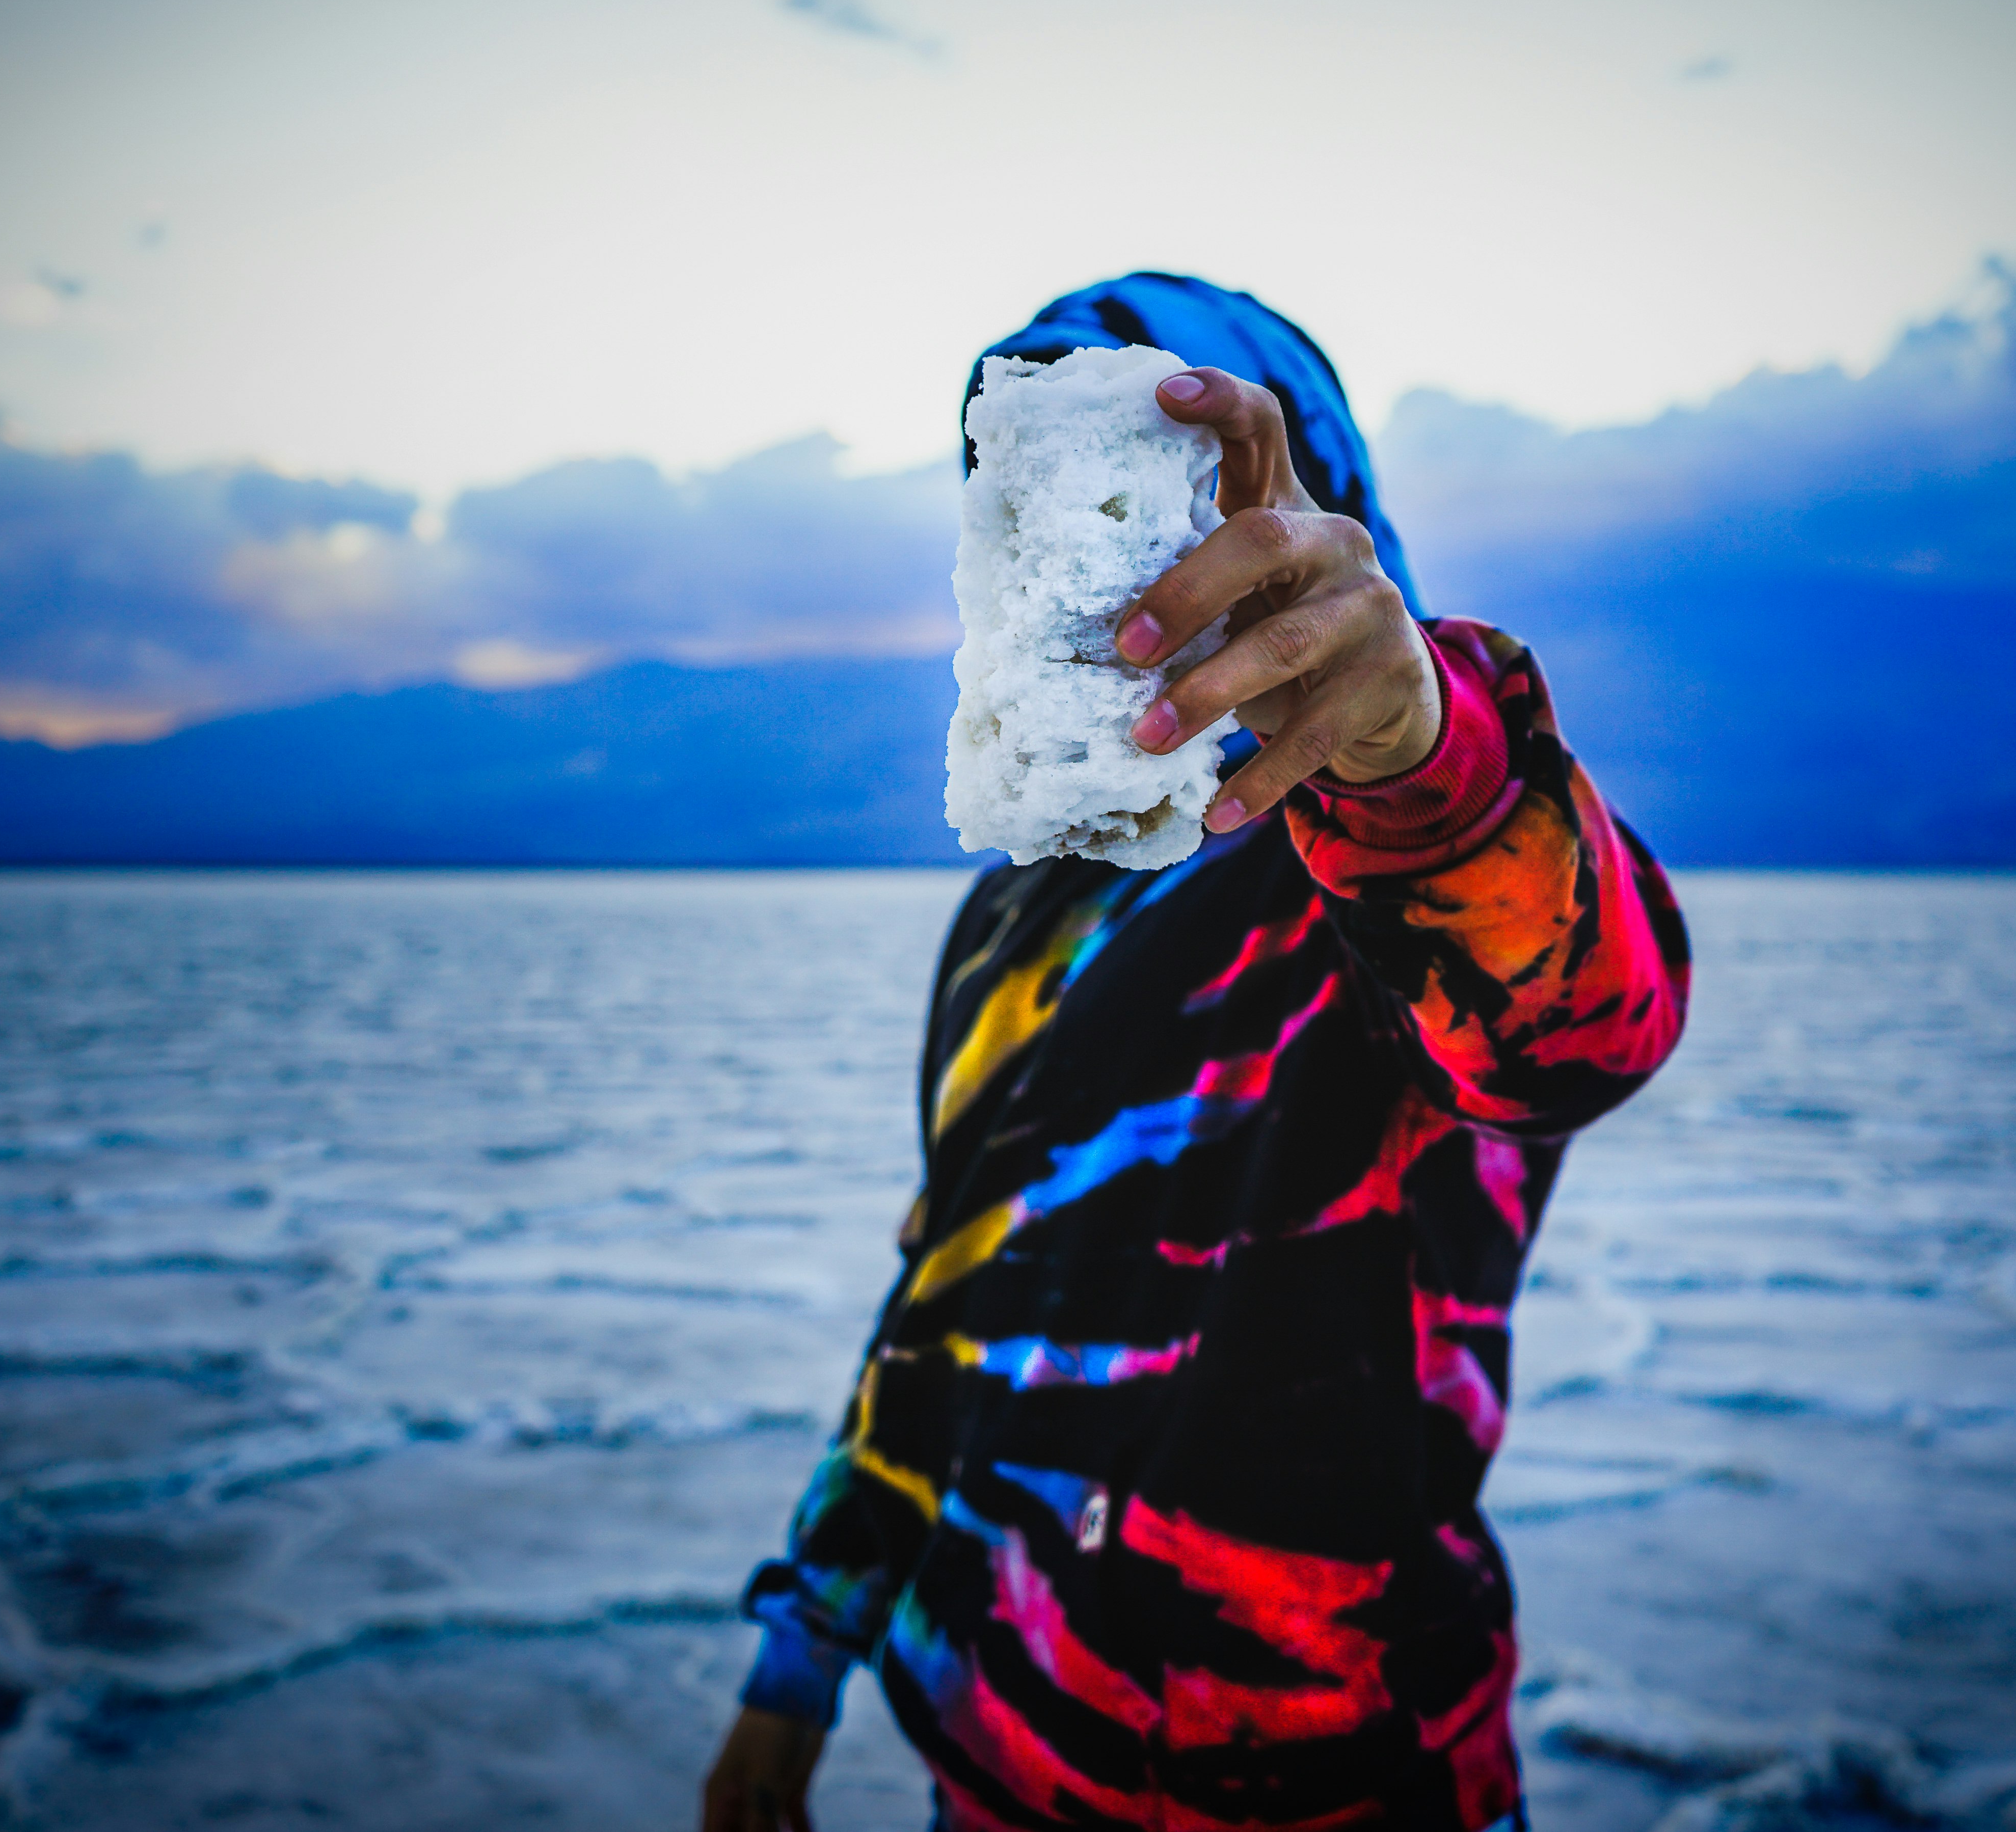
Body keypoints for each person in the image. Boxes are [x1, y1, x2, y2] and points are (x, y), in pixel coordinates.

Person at [702, 275, 1690, 1831]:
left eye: (1173, 491)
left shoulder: (1407, 850)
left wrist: (1417, 746)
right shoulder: (1011, 924)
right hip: (994, 1747)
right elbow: (943, 1295)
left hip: (1337, 1777)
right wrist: (804, 1644)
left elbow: (1573, 1033)